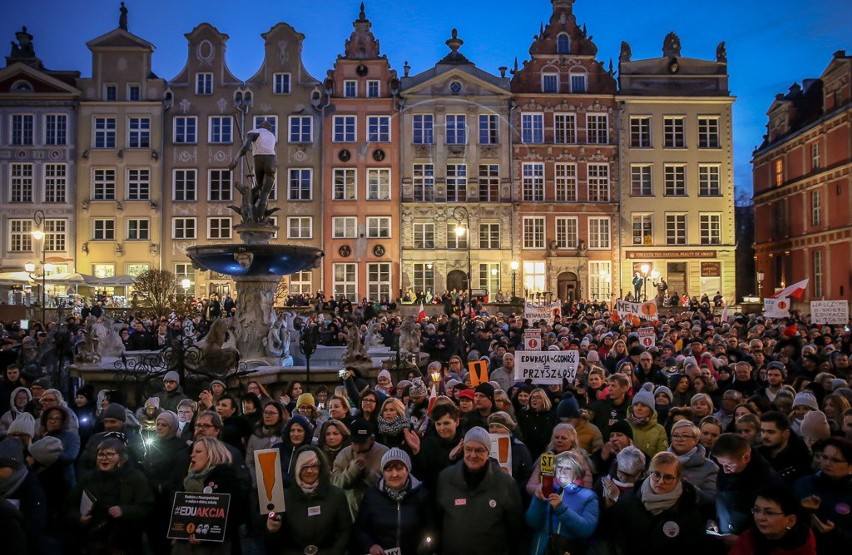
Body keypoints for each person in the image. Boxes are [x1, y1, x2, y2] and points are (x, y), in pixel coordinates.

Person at [435, 427, 524, 554]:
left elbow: (515, 527)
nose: (473, 455)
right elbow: (437, 520)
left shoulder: (505, 483)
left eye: (479, 450)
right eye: (468, 449)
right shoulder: (446, 478)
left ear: (488, 452)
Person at [64, 437, 154, 555]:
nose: (104, 458)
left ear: (121, 458)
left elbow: (147, 507)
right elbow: (69, 505)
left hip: (124, 540)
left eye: (110, 454)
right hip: (91, 538)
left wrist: (124, 511)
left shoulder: (135, 478)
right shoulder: (87, 479)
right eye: (100, 454)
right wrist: (78, 518)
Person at [610, 451, 708, 555]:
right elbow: (616, 538)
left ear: (678, 478)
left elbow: (695, 548)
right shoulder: (628, 500)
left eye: (668, 477)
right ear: (649, 473)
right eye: (656, 474)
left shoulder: (687, 508)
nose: (660, 481)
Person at [266, 445, 351, 555]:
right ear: (297, 469)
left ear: (321, 468)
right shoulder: (283, 497)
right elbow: (273, 545)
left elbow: (345, 530)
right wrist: (272, 531)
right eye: (304, 467)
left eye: (314, 466)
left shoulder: (337, 495)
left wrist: (335, 552)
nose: (309, 471)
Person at [353, 447, 434, 555]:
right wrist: (370, 545)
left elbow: (432, 531)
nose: (394, 474)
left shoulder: (421, 494)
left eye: (399, 468)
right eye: (389, 469)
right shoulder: (371, 495)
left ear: (408, 470)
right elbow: (359, 529)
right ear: (383, 472)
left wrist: (423, 550)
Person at [172, 437, 244, 554]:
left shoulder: (226, 479)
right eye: (192, 452)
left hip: (216, 548)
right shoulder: (187, 479)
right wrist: (177, 532)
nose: (192, 455)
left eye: (198, 452)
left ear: (212, 454)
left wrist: (206, 536)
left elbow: (235, 515)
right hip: (184, 546)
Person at [712, 432, 785, 544]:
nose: (725, 470)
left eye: (729, 465)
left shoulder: (767, 481)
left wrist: (744, 541)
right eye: (721, 465)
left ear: (746, 457)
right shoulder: (726, 471)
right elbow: (721, 498)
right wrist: (715, 519)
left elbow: (772, 521)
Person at [526, 451, 599, 555]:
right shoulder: (545, 489)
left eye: (568, 468)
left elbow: (586, 530)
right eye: (559, 467)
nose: (562, 471)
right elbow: (533, 523)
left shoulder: (588, 496)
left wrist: (562, 509)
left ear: (577, 472)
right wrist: (539, 501)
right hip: (540, 550)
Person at [793, 437, 852, 554]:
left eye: (835, 460)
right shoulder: (803, 484)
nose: (827, 463)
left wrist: (835, 531)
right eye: (824, 457)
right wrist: (803, 510)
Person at [141, 410, 188, 555]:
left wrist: (162, 486)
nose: (159, 427)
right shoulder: (153, 444)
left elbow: (178, 475)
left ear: (172, 427)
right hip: (151, 498)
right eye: (158, 424)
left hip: (168, 501)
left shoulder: (181, 447)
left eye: (164, 425)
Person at [729, 485, 817, 555]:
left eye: (769, 513)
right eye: (756, 510)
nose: (760, 517)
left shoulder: (803, 543)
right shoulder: (748, 539)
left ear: (791, 521)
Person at [331, 417, 389, 519]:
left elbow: (389, 485)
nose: (357, 448)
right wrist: (353, 470)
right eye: (354, 443)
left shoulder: (384, 453)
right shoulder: (344, 454)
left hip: (378, 509)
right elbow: (336, 483)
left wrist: (367, 473)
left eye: (362, 443)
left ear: (371, 439)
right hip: (349, 510)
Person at [228, 120, 277, 223]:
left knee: (259, 186)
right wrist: (252, 149)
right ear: (269, 128)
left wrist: (235, 159)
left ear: (261, 126)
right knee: (265, 192)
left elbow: (245, 147)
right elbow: (262, 148)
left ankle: (249, 205)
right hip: (271, 160)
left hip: (258, 159)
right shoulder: (272, 136)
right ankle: (260, 217)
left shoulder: (254, 132)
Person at [667, 420, 718, 507]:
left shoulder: (710, 467)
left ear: (696, 440)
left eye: (685, 436)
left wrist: (692, 491)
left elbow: (712, 498)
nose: (679, 439)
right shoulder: (660, 460)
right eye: (675, 435)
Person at [246, 401, 287, 482]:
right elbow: (249, 462)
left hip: (281, 481)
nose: (267, 416)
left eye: (271, 413)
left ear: (280, 416)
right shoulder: (254, 436)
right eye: (266, 412)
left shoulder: (286, 435)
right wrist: (257, 481)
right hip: (258, 481)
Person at [628, 382, 669, 459]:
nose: (639, 408)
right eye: (636, 405)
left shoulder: (659, 429)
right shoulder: (624, 424)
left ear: (651, 410)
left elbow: (662, 456)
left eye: (643, 405)